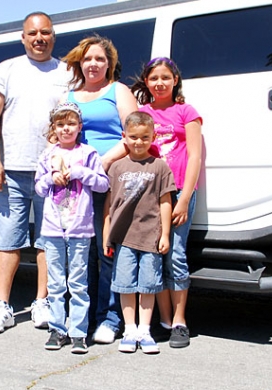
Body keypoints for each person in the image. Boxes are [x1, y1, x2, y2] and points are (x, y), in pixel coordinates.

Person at [0, 12, 71, 333]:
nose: (39, 38)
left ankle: (42, 303)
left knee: (48, 241)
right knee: (8, 240)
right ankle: (2, 306)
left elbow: (72, 121)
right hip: (11, 173)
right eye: (32, 33)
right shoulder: (6, 69)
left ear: (53, 36)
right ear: (23, 37)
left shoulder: (66, 73)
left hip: (52, 174)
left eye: (45, 33)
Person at [61, 36, 137, 344]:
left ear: (110, 63)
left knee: (107, 251)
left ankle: (110, 317)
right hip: (78, 185)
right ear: (80, 62)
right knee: (81, 253)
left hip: (109, 179)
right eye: (88, 58)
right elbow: (60, 132)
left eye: (100, 59)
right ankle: (82, 316)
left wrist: (103, 161)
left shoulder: (118, 91)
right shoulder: (70, 95)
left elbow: (135, 133)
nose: (93, 64)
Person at [132, 57, 203, 349]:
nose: (159, 83)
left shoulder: (187, 112)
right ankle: (163, 321)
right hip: (149, 195)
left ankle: (179, 321)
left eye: (165, 77)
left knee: (175, 255)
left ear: (175, 80)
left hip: (177, 194)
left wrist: (184, 198)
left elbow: (196, 157)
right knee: (155, 257)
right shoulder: (142, 112)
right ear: (146, 82)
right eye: (153, 78)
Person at [34, 102, 110, 353]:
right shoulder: (47, 155)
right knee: (56, 283)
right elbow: (38, 187)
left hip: (80, 227)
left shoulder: (87, 153)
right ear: (54, 128)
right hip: (54, 228)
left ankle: (78, 332)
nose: (66, 129)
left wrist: (80, 173)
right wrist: (50, 178)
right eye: (60, 124)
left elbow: (102, 184)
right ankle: (57, 329)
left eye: (71, 124)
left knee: (78, 282)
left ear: (79, 127)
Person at [102, 111, 175, 354]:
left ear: (153, 137)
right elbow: (109, 205)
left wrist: (164, 234)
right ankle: (129, 329)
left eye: (145, 137)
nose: (139, 142)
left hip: (150, 238)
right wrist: (106, 236)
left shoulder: (160, 167)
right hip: (123, 238)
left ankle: (144, 330)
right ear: (124, 137)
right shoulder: (116, 167)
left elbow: (166, 202)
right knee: (124, 285)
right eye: (133, 137)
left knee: (148, 285)